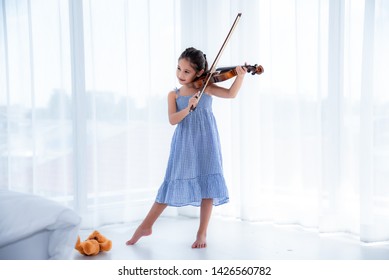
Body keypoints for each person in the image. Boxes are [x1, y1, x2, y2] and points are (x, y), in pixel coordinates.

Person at [126, 47, 246, 248]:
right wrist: (189, 108)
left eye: (186, 71)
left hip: (207, 141)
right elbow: (173, 120)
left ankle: (202, 233)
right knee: (172, 182)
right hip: (185, 142)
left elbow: (231, 94)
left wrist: (240, 76)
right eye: (179, 69)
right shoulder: (173, 95)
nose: (181, 75)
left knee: (208, 184)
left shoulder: (205, 87)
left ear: (200, 73)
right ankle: (145, 227)